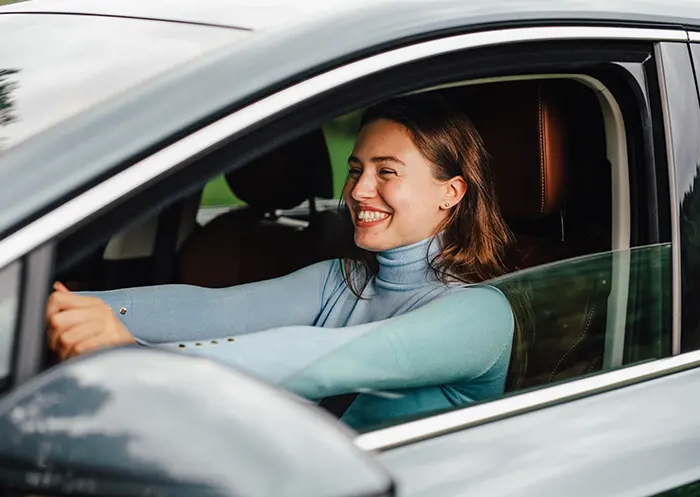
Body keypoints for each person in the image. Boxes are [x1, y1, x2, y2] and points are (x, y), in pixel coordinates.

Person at [46, 93, 520, 430]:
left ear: (451, 193)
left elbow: (314, 360)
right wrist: (69, 309)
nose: (357, 190)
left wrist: (134, 359)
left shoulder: (480, 314)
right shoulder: (345, 280)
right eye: (355, 170)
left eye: (387, 172)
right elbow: (214, 310)